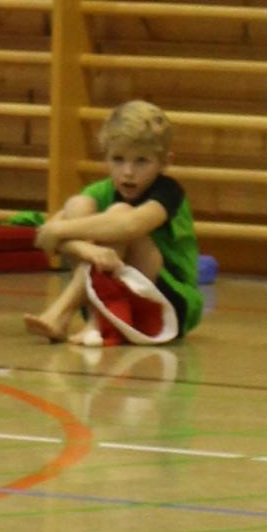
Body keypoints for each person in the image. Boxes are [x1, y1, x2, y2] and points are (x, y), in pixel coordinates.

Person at [31, 99, 202, 348]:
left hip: (168, 302)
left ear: (165, 162)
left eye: (141, 161)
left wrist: (61, 233)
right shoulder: (101, 190)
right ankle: (93, 315)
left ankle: (65, 312)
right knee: (78, 205)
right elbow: (44, 236)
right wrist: (86, 249)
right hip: (107, 293)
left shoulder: (169, 191)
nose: (128, 172)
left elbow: (130, 225)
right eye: (118, 159)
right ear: (106, 157)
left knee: (119, 213)